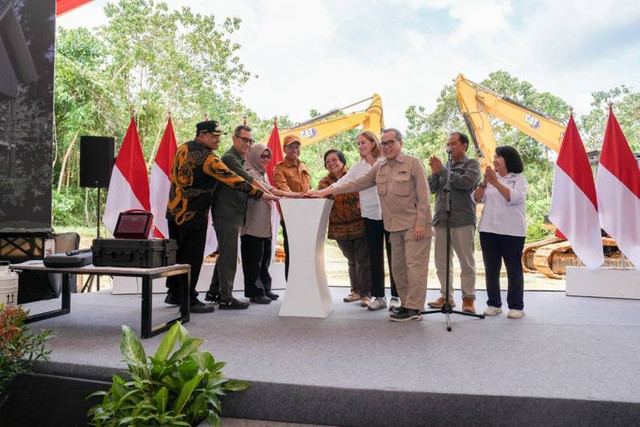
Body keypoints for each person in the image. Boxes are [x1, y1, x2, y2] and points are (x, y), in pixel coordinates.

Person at [312, 128, 433, 322]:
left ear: (400, 143)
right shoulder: (380, 167)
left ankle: (414, 308)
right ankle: (405, 304)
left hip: (414, 225)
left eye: (390, 142)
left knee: (414, 268)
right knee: (399, 268)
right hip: (393, 226)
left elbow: (424, 196)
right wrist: (325, 192)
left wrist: (421, 224)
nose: (386, 147)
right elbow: (354, 184)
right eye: (384, 143)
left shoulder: (413, 163)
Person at [165, 120, 273, 313]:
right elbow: (232, 179)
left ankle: (174, 293)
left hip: (173, 212)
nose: (217, 140)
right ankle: (189, 299)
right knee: (191, 258)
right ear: (202, 135)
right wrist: (260, 193)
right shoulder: (208, 158)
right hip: (192, 215)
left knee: (178, 256)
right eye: (214, 136)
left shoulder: (182, 149)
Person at [205, 125, 274, 309]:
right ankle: (226, 297)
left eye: (250, 140)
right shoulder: (229, 158)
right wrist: (272, 196)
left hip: (234, 213)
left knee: (225, 253)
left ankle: (214, 291)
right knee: (229, 256)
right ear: (235, 139)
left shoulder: (239, 158)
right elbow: (248, 181)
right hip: (226, 213)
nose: (248, 144)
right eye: (244, 139)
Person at [330, 130, 399, 311]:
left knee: (395, 256)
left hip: (391, 213)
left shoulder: (386, 161)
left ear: (373, 143)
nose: (360, 146)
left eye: (363, 142)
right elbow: (342, 182)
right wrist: (320, 192)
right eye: (358, 143)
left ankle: (396, 296)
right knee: (374, 257)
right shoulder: (357, 167)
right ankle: (379, 296)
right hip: (370, 216)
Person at [427, 132, 482, 313]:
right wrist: (435, 173)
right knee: (442, 262)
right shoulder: (445, 166)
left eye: (454, 144)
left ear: (464, 146)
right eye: (448, 144)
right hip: (441, 220)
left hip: (462, 220)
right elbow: (431, 188)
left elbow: (465, 183)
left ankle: (468, 298)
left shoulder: (472, 164)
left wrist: (442, 170)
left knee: (466, 261)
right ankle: (446, 296)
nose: (450, 147)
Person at [473, 146, 528, 319]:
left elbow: (513, 198)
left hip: (512, 232)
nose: (495, 159)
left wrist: (495, 183)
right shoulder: (489, 179)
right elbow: (476, 198)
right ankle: (494, 304)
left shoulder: (519, 179)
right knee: (491, 268)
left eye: (499, 157)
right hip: (488, 230)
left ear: (509, 160)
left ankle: (516, 306)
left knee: (513, 269)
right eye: (495, 156)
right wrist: (484, 183)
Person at [241, 144, 299, 304]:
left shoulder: (261, 172)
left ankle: (265, 289)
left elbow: (270, 189)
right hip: (252, 223)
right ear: (253, 155)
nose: (266, 159)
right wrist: (287, 196)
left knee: (264, 258)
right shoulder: (248, 172)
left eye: (268, 156)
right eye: (262, 156)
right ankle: (255, 292)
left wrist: (291, 195)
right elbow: (266, 192)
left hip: (263, 223)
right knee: (253, 260)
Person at [318, 149, 371, 307]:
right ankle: (355, 291)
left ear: (342, 161)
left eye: (334, 160)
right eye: (328, 161)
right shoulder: (324, 183)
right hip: (339, 228)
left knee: (363, 261)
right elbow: (321, 198)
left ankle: (366, 294)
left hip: (359, 224)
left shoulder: (354, 176)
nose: (331, 163)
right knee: (351, 261)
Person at [273, 134, 312, 280]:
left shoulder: (304, 166)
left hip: (308, 215)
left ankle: (305, 282)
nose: (294, 149)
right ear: (284, 149)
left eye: (297, 146)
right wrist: (298, 198)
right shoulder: (279, 168)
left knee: (305, 252)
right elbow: (283, 189)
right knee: (292, 252)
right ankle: (292, 286)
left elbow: (309, 188)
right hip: (291, 215)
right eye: (290, 146)